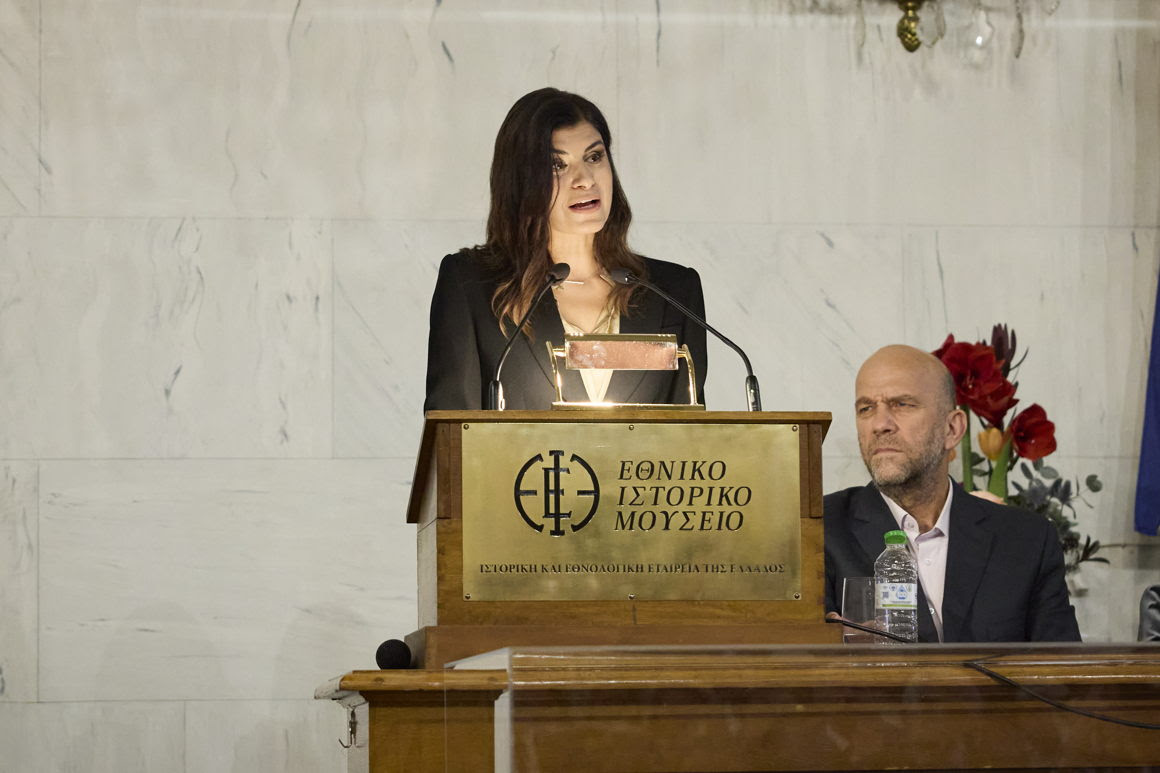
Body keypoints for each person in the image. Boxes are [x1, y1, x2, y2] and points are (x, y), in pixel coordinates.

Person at [424, 88, 707, 410]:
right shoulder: (472, 285)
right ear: (521, 182)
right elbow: (452, 428)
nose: (584, 179)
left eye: (594, 157)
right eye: (557, 165)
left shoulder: (672, 292)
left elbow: (690, 431)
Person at [824, 344, 1081, 642]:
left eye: (902, 404)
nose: (880, 425)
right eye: (866, 409)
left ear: (952, 429)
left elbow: (1061, 666)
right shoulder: (819, 530)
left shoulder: (1027, 540)